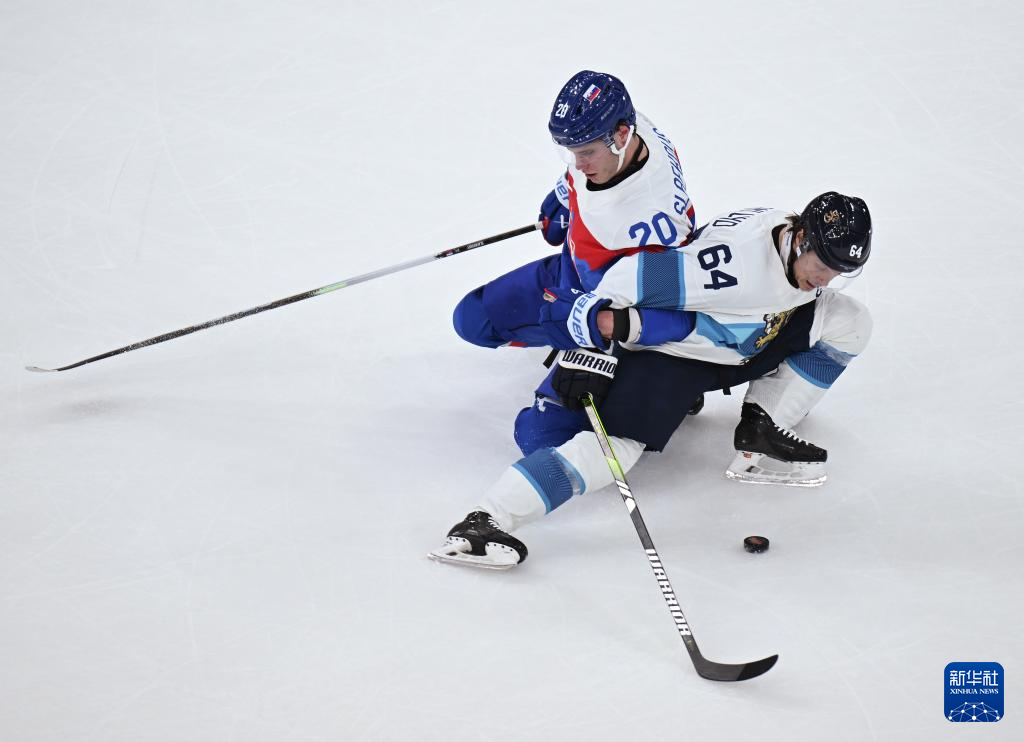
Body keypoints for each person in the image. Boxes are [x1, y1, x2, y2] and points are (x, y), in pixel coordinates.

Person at [429, 191, 873, 569]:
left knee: (850, 321)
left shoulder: (783, 237)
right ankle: (484, 522)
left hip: (750, 333)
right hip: (676, 357)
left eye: (839, 269)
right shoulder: (734, 267)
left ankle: (763, 423)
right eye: (823, 264)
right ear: (801, 237)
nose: (826, 278)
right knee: (613, 451)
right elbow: (632, 278)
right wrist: (589, 349)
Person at [451, 69, 701, 454]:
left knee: (540, 439)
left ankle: (669, 382)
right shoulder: (630, 128)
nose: (577, 163)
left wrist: (594, 342)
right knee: (472, 319)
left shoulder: (653, 221)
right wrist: (565, 194)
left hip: (602, 310)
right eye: (570, 151)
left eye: (586, 153)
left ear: (621, 136)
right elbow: (581, 167)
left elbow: (672, 307)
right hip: (571, 275)